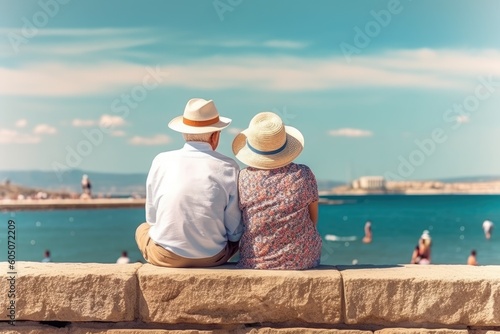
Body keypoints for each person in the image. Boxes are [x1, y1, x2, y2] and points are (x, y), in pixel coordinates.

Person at [135, 98, 243, 268]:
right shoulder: (229, 166)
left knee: (142, 229)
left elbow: (152, 218)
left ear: (184, 133)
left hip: (166, 257)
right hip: (213, 257)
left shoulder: (161, 160)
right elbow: (234, 230)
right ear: (215, 136)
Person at [232, 111, 322, 270]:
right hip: (303, 259)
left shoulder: (243, 178)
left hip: (256, 261)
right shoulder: (303, 174)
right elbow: (313, 218)